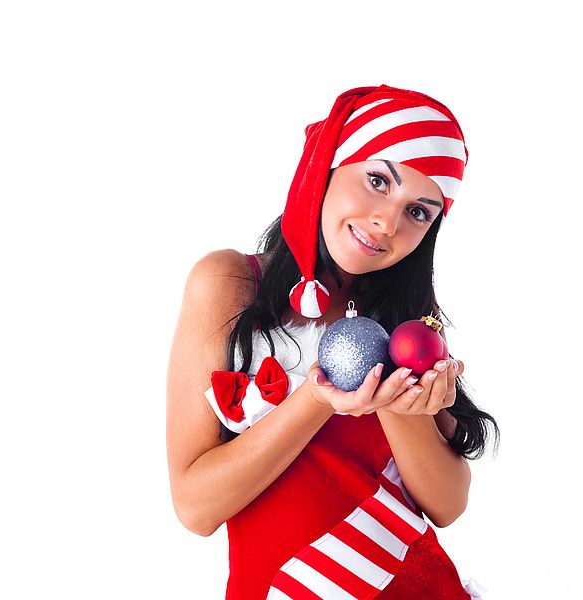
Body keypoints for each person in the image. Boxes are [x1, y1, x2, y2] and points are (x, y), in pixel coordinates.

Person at [166, 84, 498, 599]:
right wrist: (317, 399)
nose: (386, 222)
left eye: (419, 212)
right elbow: (195, 507)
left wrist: (398, 405)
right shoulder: (230, 284)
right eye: (376, 180)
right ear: (329, 164)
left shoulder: (410, 328)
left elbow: (447, 506)